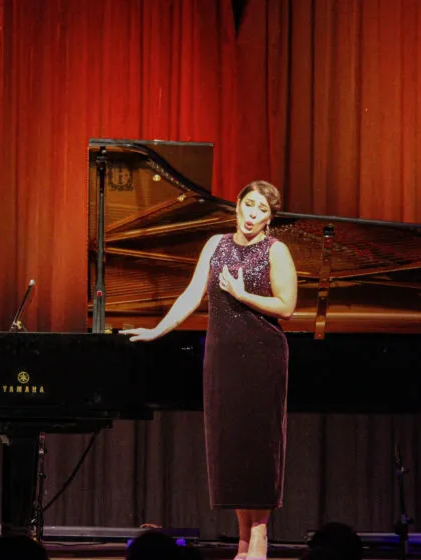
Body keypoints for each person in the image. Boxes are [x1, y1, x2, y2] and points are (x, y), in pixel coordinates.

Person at [122, 180, 297, 560]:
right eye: (248, 205)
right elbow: (191, 294)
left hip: (264, 356)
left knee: (259, 445)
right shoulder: (216, 245)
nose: (252, 214)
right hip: (222, 356)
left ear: (270, 218)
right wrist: (157, 330)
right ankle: (241, 539)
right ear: (237, 205)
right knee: (229, 445)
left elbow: (286, 306)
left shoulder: (276, 251)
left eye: (261, 210)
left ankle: (260, 536)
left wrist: (242, 294)